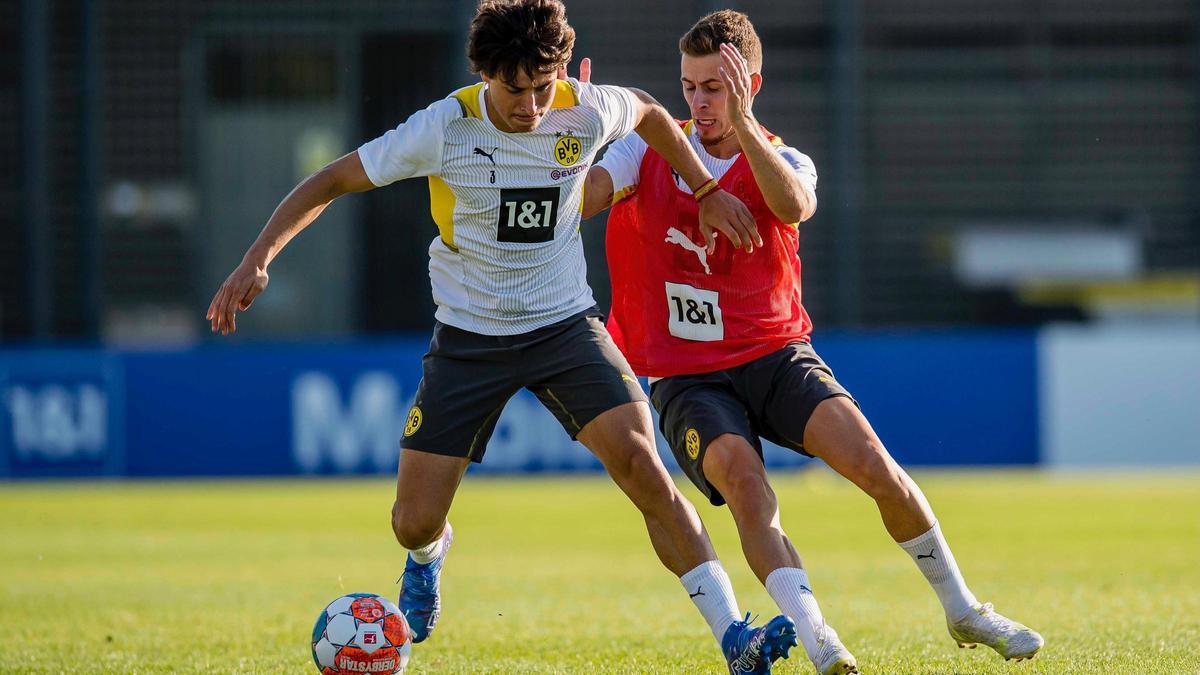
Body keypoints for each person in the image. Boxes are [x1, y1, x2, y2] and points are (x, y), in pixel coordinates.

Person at [207, 1, 799, 672]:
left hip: (566, 327)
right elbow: (332, 178)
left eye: (543, 87)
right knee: (412, 521)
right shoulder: (444, 127)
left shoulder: (584, 107)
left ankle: (735, 638)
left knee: (647, 472)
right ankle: (430, 556)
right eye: (515, 90)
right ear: (484, 75)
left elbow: (650, 113)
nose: (531, 106)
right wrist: (259, 257)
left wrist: (702, 188)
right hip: (470, 338)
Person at [581, 10, 1044, 674]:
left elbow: (794, 204)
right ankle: (818, 633)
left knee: (876, 469)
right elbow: (589, 196)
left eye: (715, 86)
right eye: (690, 86)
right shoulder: (641, 150)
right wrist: (570, 139)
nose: (699, 102)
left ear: (750, 83)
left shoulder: (785, 155)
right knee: (745, 484)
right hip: (686, 374)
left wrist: (742, 128)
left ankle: (963, 607)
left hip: (776, 354)